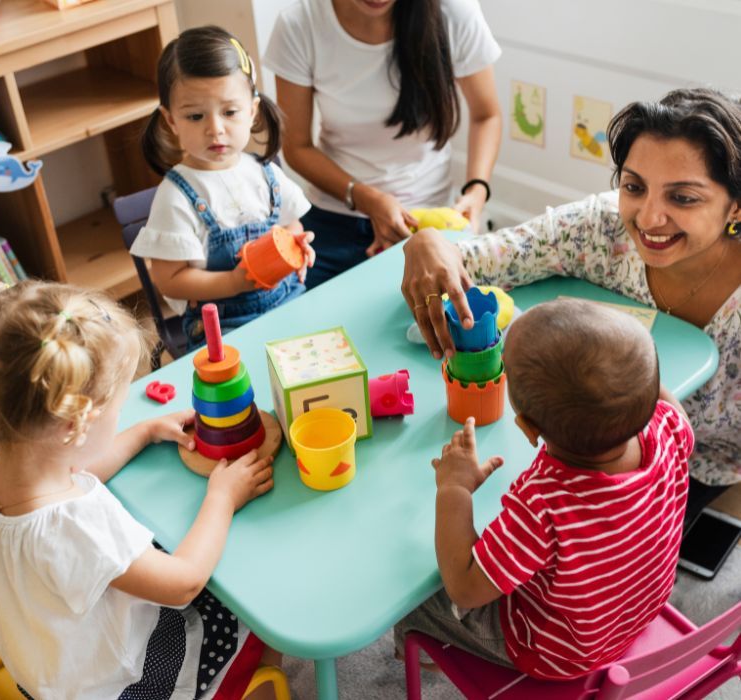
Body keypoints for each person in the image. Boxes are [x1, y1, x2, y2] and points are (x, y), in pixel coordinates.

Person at [401, 87, 741, 523]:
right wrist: (427, 242)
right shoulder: (599, 230)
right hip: (579, 443)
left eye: (683, 197)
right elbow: (477, 261)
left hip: (703, 464)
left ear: (735, 206)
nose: (649, 218)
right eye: (634, 187)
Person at [0, 276, 279, 700]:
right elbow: (183, 582)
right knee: (254, 605)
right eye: (118, 409)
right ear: (76, 425)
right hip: (119, 686)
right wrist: (222, 498)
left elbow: (75, 465)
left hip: (47, 670)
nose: (122, 417)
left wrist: (144, 431)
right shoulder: (76, 528)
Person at [395, 298, 694, 679]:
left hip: (557, 653)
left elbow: (464, 588)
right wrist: (630, 379)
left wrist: (455, 488)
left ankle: (426, 658)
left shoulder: (543, 504)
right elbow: (673, 410)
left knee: (415, 594)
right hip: (634, 612)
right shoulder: (669, 426)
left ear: (529, 429)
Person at [264, 0, 502, 288]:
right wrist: (367, 198)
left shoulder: (453, 12)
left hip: (426, 218)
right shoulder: (300, 24)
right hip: (335, 215)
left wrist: (477, 191)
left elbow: (486, 115)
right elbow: (297, 147)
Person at [133, 26, 315, 348]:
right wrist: (233, 283)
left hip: (289, 302)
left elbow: (289, 223)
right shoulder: (176, 197)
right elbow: (169, 280)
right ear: (171, 120)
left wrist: (296, 246)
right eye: (195, 116)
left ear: (252, 111)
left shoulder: (265, 173)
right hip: (223, 327)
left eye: (230, 112)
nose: (215, 130)